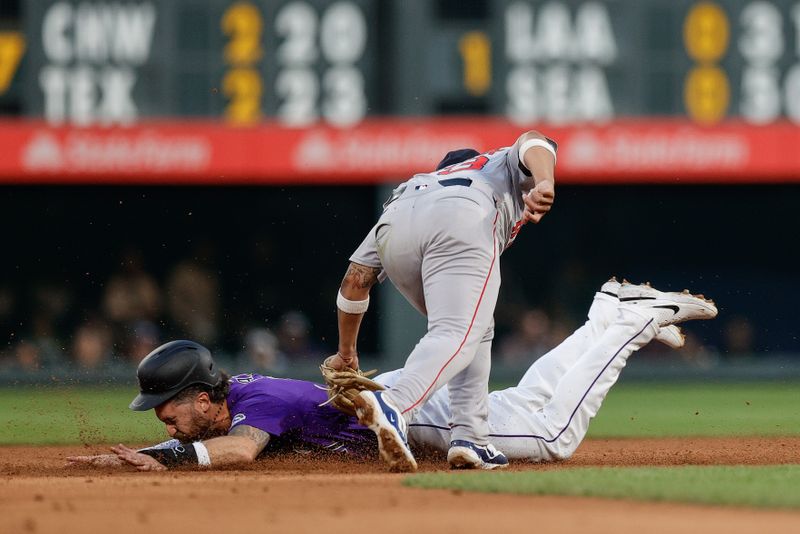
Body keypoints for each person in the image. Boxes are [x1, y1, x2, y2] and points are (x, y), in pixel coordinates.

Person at [67, 279, 716, 472]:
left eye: (169, 408)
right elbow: (218, 437)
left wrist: (173, 459)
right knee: (527, 399)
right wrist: (132, 456)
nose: (163, 417)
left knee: (551, 434)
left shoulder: (252, 403)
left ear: (204, 396)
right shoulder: (233, 399)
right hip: (403, 402)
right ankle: (606, 313)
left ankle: (627, 319)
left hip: (410, 416)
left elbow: (237, 448)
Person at [329, 132, 559, 471]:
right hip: (462, 214)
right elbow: (535, 141)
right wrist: (545, 181)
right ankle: (394, 404)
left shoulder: (414, 187)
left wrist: (346, 353)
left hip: (395, 225)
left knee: (475, 328)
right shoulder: (491, 167)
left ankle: (469, 439)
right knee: (457, 332)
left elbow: (355, 279)